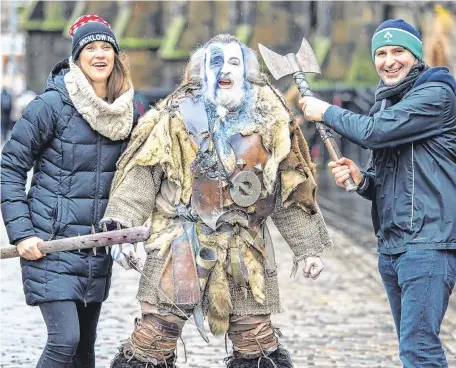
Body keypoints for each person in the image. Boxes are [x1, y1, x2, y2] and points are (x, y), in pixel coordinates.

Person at [101, 34, 333, 368]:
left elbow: (291, 186)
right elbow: (143, 172)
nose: (225, 70)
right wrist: (120, 227)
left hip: (245, 246)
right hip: (180, 242)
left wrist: (307, 247)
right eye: (215, 62)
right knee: (155, 335)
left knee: (256, 340)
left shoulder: (272, 121)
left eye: (234, 62)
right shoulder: (173, 118)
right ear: (200, 71)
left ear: (247, 72)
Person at [300, 19, 456, 368]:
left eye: (398, 51)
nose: (389, 60)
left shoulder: (437, 94)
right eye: (381, 53)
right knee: (412, 348)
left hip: (428, 243)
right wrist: (362, 180)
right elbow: (390, 182)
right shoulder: (388, 103)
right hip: (393, 246)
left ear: (415, 55)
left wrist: (325, 110)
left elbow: (372, 132)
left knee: (419, 351)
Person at [1, 14, 136, 367]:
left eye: (106, 47)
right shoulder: (51, 105)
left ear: (116, 56)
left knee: (84, 348)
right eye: (90, 47)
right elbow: (11, 167)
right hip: (50, 242)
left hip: (94, 248)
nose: (99, 54)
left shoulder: (126, 113)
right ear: (77, 58)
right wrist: (22, 233)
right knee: (65, 340)